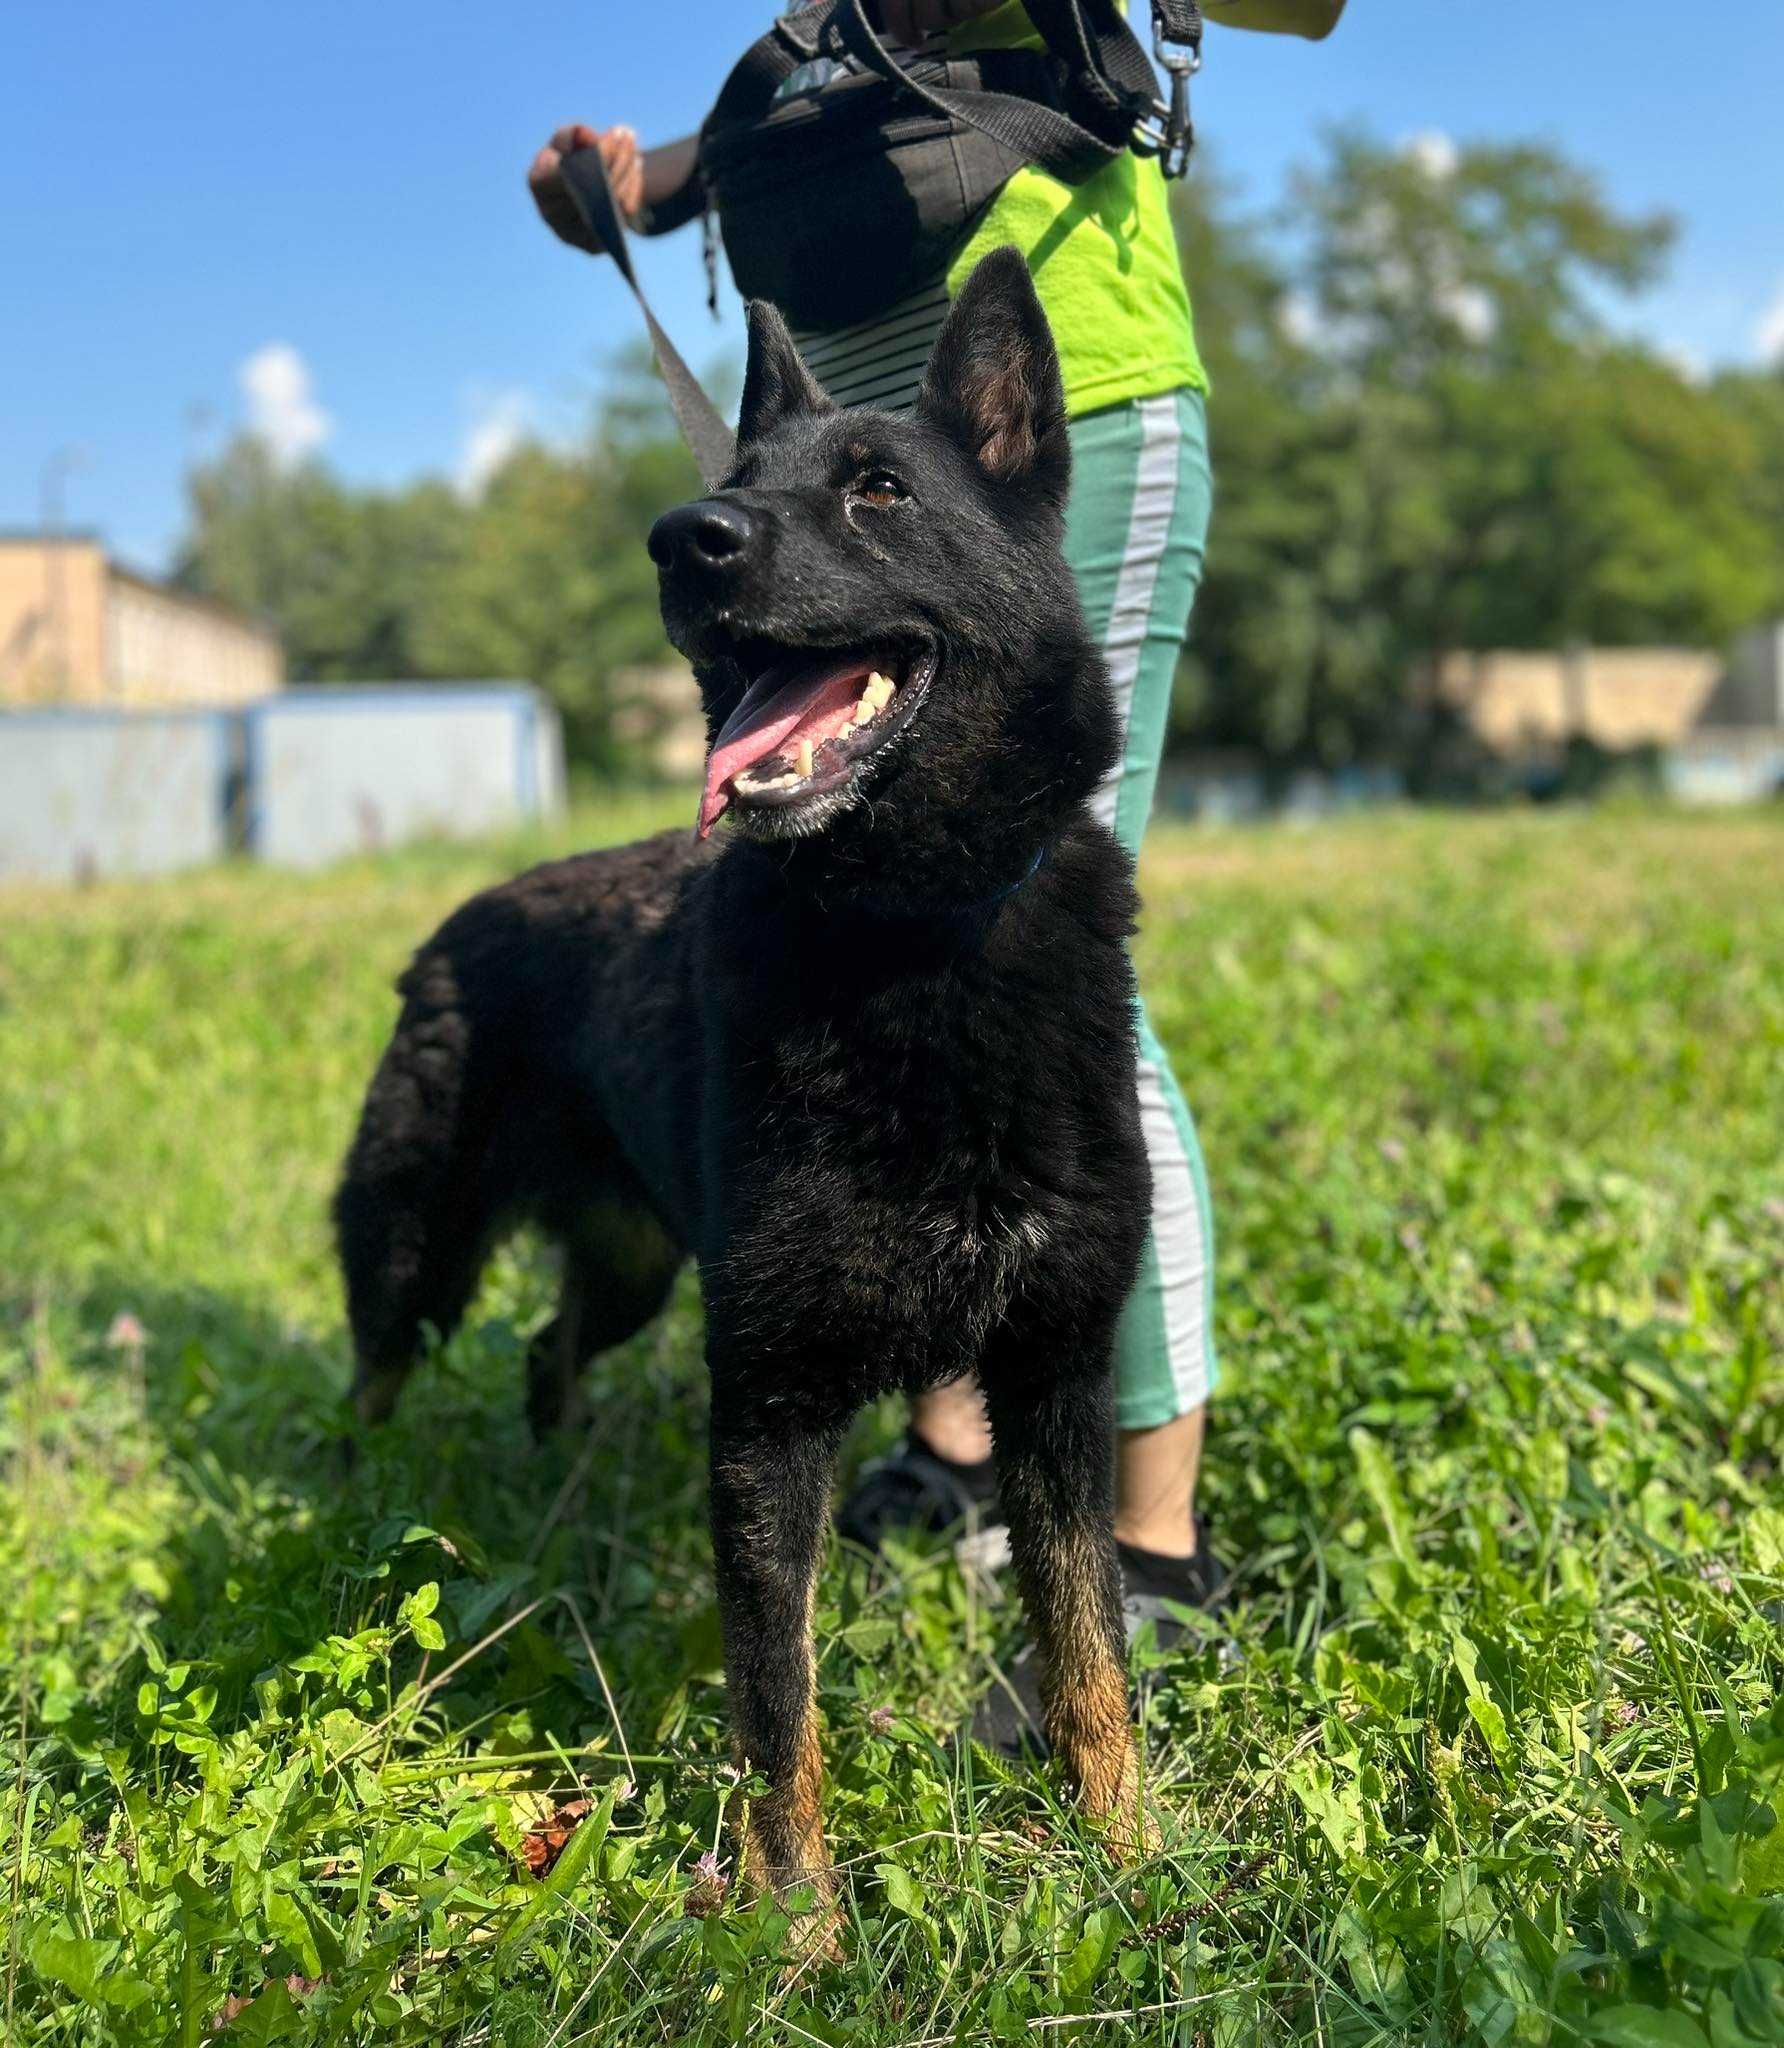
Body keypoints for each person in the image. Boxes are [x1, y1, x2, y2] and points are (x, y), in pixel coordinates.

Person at [529, 0, 1340, 1740]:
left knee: (1045, 959)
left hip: (1061, 403)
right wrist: (634, 181)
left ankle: (1151, 1550)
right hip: (830, 451)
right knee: (872, 967)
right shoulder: (807, 35)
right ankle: (959, 1443)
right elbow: (797, 137)